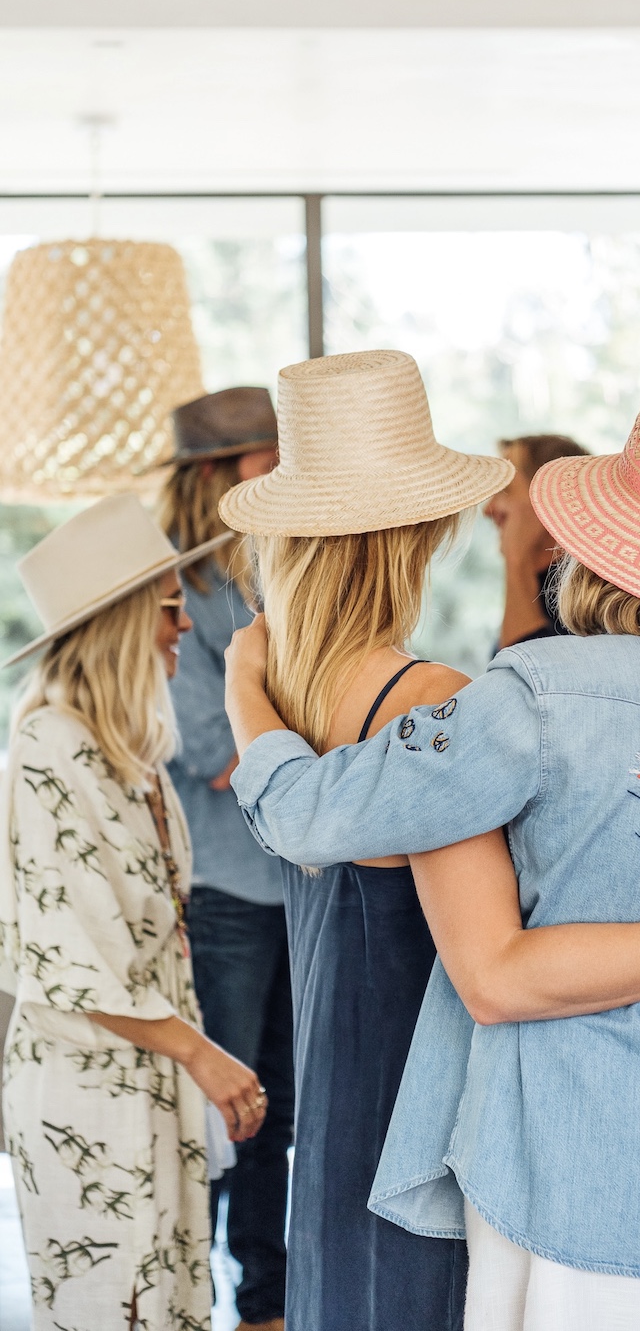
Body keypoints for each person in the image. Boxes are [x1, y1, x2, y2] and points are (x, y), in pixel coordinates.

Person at [223, 362, 640, 1331]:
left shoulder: (533, 701)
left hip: (566, 1180)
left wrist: (247, 683)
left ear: (606, 538)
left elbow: (306, 816)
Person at [0, 494, 267, 1331]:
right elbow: (72, 960)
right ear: (120, 622)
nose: (186, 625)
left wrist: (194, 1058)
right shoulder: (49, 749)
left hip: (151, 1080)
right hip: (86, 1086)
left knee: (176, 1301)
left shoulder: (132, 756)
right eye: (168, 606)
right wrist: (203, 1055)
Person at [156, 387, 290, 1331]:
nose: (280, 471)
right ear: (219, 474)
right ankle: (189, 1300)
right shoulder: (180, 596)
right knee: (224, 1113)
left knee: (279, 1114)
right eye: (265, 456)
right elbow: (212, 754)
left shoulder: (268, 581)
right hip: (229, 894)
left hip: (295, 883)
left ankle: (269, 1305)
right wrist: (303, 738)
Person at [484, 432, 587, 647]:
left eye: (505, 490)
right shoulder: (539, 588)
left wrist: (516, 561)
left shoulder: (592, 601)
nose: (487, 509)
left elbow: (525, 671)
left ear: (550, 500)